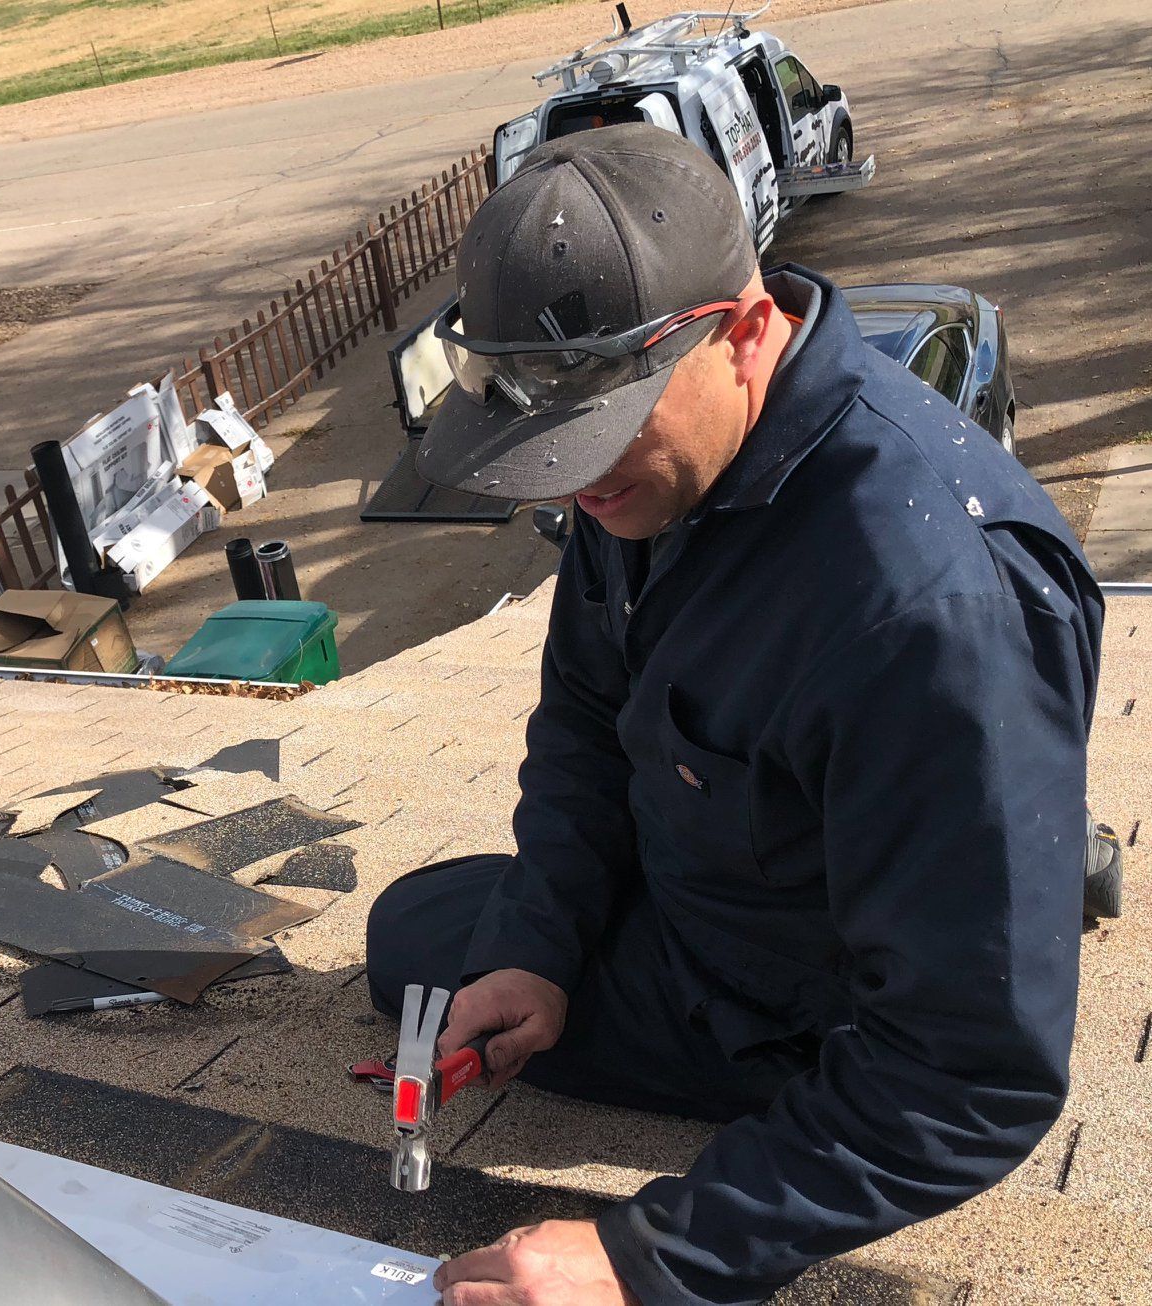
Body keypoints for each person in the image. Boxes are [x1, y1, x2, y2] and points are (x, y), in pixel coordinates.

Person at [365, 124, 1104, 1305]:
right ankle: (999, 867)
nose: (574, 483)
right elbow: (584, 720)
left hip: (811, 1008)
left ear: (748, 330)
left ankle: (905, 1001)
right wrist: (538, 943)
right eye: (549, 450)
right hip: (704, 898)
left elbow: (977, 1077)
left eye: (602, 436)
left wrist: (638, 1259)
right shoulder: (647, 483)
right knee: (420, 939)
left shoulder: (927, 604)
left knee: (933, 1039)